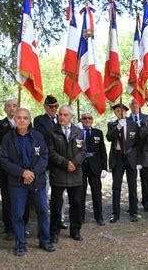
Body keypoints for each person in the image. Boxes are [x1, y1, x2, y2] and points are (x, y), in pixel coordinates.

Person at [0, 108, 55, 256]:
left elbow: (44, 156)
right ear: (15, 120)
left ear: (29, 120)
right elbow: (3, 160)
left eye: (25, 118)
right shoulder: (8, 138)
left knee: (42, 211)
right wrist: (22, 173)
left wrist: (33, 173)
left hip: (37, 182)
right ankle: (21, 244)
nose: (22, 120)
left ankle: (44, 241)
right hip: (17, 183)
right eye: (19, 118)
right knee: (17, 214)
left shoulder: (38, 136)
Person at [45, 105, 86, 242]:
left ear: (71, 117)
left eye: (65, 115)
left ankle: (75, 230)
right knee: (56, 204)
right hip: (59, 173)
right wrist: (65, 164)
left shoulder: (79, 132)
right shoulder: (52, 132)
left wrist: (74, 163)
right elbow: (51, 153)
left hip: (75, 173)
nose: (61, 117)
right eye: (60, 114)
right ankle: (54, 232)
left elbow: (83, 151)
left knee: (76, 203)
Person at [33, 95, 69, 230]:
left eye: (55, 106)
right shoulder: (39, 120)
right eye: (50, 107)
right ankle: (45, 220)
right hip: (47, 163)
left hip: (60, 162)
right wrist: (61, 126)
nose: (53, 109)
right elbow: (45, 136)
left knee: (61, 194)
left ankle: (60, 218)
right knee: (45, 192)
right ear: (45, 107)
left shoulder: (61, 119)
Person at [106, 103, 140, 223]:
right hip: (117, 157)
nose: (120, 113)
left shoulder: (133, 125)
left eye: (122, 111)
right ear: (115, 113)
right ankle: (115, 213)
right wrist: (118, 128)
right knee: (116, 187)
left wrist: (139, 161)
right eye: (117, 111)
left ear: (126, 112)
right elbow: (109, 137)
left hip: (131, 157)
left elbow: (138, 143)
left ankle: (133, 212)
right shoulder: (112, 124)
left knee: (132, 186)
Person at [0, 99, 18, 240]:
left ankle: (21, 225)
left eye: (15, 106)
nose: (12, 108)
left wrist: (20, 122)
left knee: (22, 198)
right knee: (7, 198)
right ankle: (9, 228)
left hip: (22, 167)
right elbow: (0, 138)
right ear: (5, 109)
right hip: (6, 167)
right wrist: (14, 125)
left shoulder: (25, 120)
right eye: (9, 106)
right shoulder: (0, 123)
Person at [79, 112, 108, 226]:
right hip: (81, 165)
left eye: (89, 118)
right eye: (84, 118)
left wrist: (104, 167)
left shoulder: (98, 133)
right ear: (81, 120)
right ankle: (80, 218)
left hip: (94, 166)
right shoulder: (77, 132)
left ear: (92, 120)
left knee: (96, 192)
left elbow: (102, 152)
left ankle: (99, 217)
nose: (87, 120)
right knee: (80, 193)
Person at [127, 98, 148, 210]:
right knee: (132, 180)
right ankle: (133, 203)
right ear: (129, 106)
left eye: (137, 103)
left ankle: (146, 201)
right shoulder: (126, 119)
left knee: (145, 178)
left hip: (145, 151)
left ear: (140, 104)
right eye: (132, 103)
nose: (135, 105)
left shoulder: (147, 118)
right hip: (131, 152)